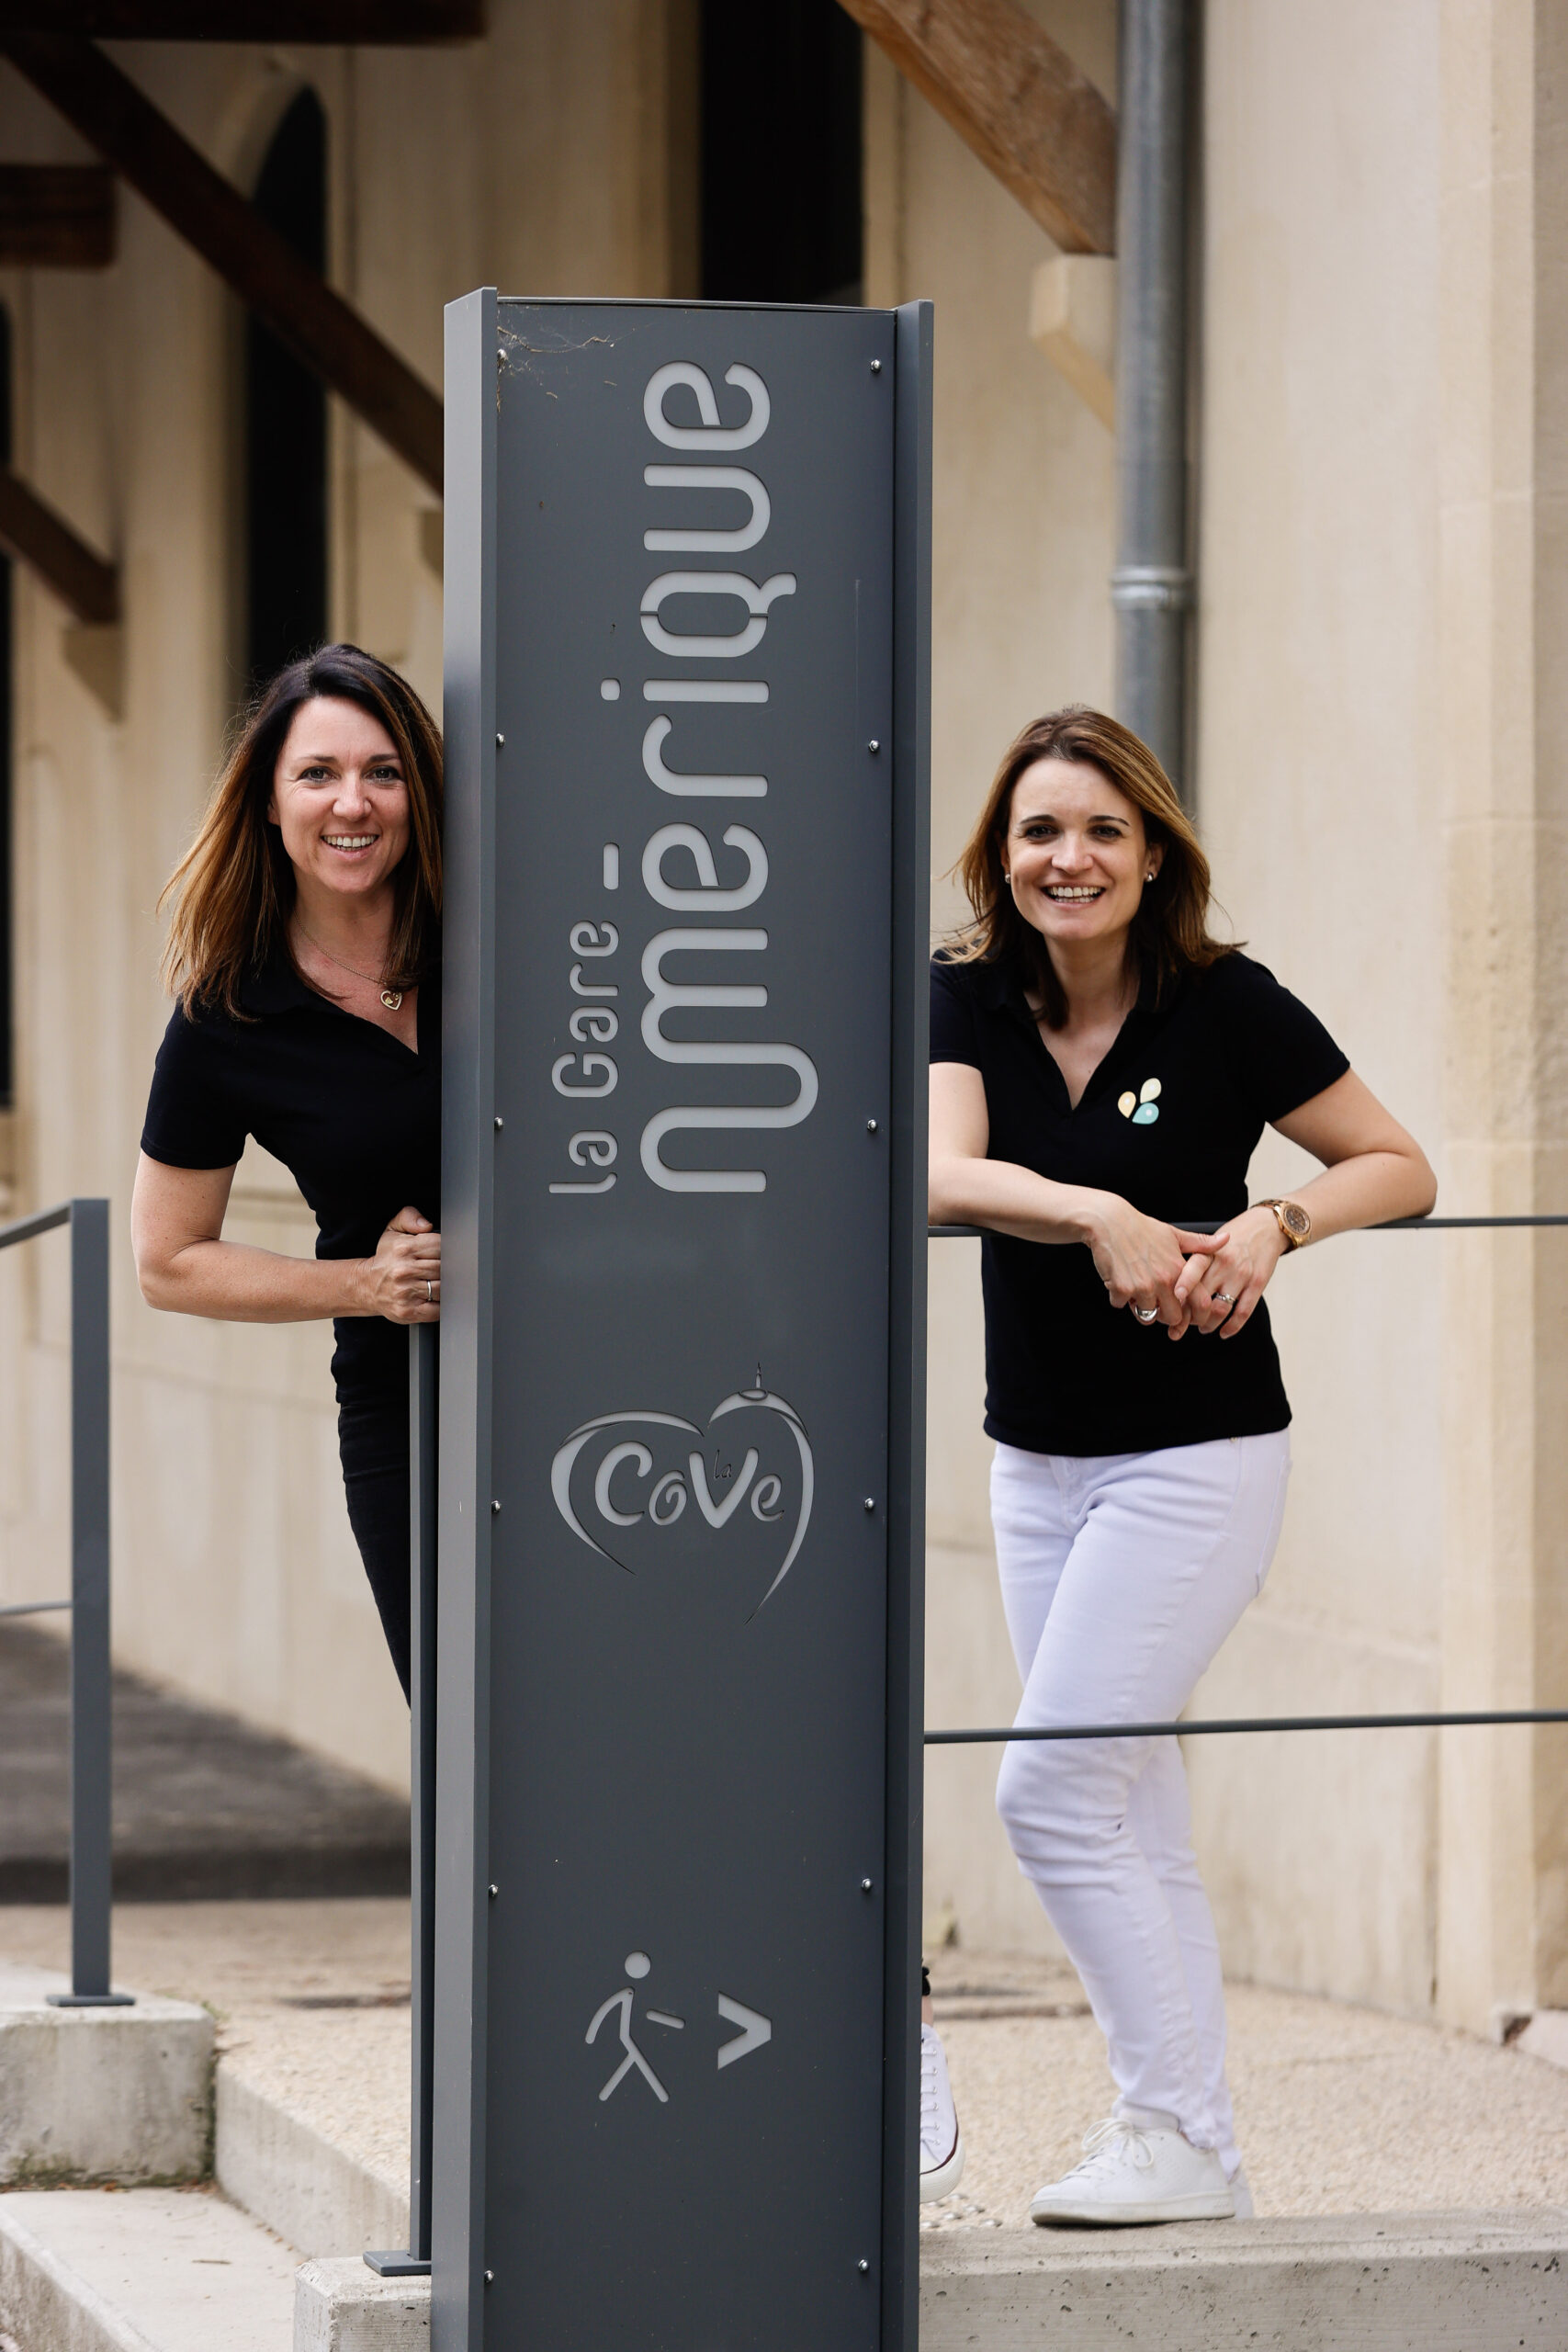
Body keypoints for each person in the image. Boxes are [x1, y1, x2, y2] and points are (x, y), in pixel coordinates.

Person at [927, 707, 1435, 2227]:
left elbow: (1397, 1165)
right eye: (1036, 831)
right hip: (1035, 1463)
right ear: (998, 858)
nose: (1065, 856)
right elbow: (940, 1172)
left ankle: (1166, 2128)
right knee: (1128, 1799)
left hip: (1198, 1456)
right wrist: (1096, 1211)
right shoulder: (960, 1001)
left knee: (1048, 1792)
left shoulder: (1226, 1005)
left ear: (1153, 855)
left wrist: (1277, 1224)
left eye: (1098, 830)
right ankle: (1189, 2140)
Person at [131, 645, 444, 1699]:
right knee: (470, 1747)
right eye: (317, 774)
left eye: (383, 771)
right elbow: (167, 1261)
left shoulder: (511, 940)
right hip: (410, 1413)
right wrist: (364, 1284)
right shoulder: (231, 1014)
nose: (352, 803)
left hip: (593, 1377)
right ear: (269, 802)